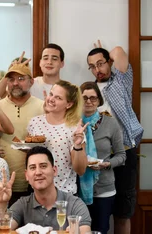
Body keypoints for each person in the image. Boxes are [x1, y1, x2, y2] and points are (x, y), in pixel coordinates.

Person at [86, 41, 144, 234]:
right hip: (99, 158)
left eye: (100, 63)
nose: (97, 69)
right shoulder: (89, 92)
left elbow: (118, 51)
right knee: (98, 210)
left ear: (109, 62)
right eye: (92, 66)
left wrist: (108, 55)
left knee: (123, 211)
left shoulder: (121, 82)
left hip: (125, 153)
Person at [0, 146, 91, 233]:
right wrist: (1, 203)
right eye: (33, 167)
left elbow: (85, 231)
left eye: (43, 166)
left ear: (54, 170)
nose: (38, 172)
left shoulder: (75, 204)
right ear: (27, 175)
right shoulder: (22, 204)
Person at [0, 54, 45, 205]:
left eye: (21, 79)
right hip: (0, 184)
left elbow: (47, 140)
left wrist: (29, 142)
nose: (15, 83)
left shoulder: (42, 106)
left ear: (31, 82)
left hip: (32, 184)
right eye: (11, 79)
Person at [79, 81, 126, 234]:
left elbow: (121, 155)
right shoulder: (72, 123)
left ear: (99, 100)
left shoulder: (111, 123)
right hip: (77, 188)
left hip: (104, 189)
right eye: (84, 97)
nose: (88, 101)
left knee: (100, 230)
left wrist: (107, 164)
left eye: (93, 98)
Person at [27, 80, 88, 194]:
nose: (51, 99)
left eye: (58, 98)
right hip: (37, 193)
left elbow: (80, 170)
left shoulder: (74, 129)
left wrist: (77, 144)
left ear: (69, 104)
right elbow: (30, 155)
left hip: (64, 194)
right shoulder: (34, 122)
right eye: (51, 94)